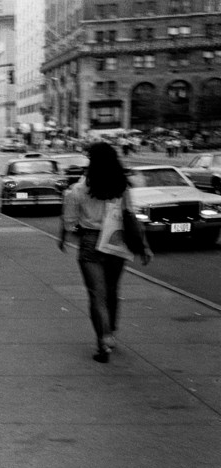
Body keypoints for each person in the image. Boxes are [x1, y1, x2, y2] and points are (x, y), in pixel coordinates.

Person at [60, 142, 152, 363]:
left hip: (90, 242)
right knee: (112, 291)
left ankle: (104, 341)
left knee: (96, 295)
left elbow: (70, 223)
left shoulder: (78, 189)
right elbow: (130, 217)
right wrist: (144, 246)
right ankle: (111, 329)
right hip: (116, 241)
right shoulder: (121, 188)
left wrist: (67, 234)